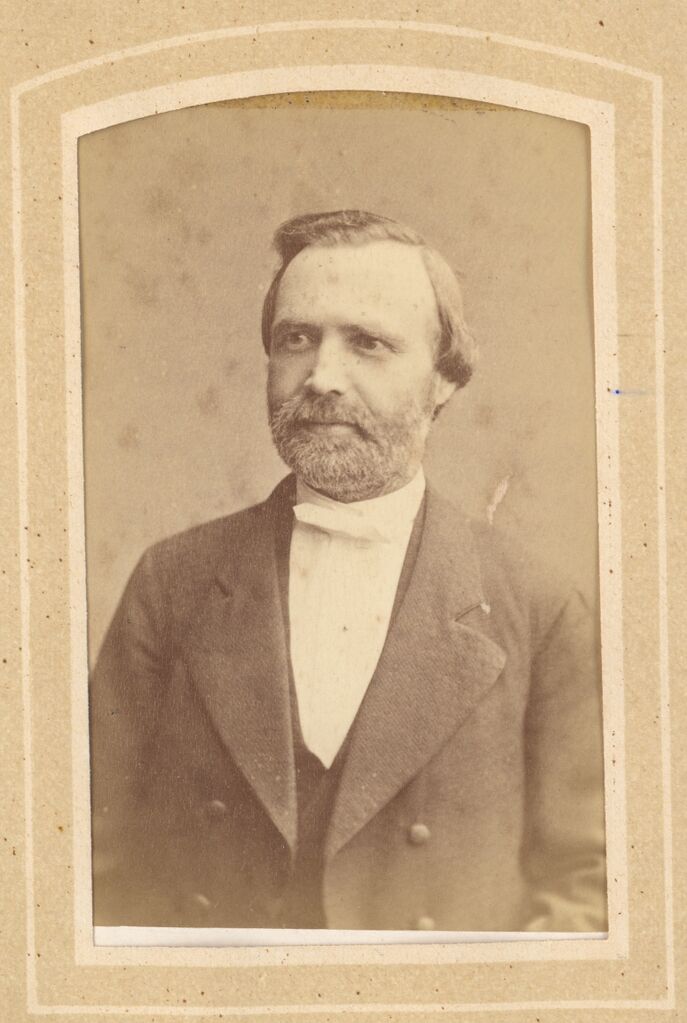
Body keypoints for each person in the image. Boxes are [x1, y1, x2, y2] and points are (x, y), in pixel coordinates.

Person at [89, 209, 607, 932]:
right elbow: (85, 869)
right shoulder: (172, 581)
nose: (322, 378)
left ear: (444, 378)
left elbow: (592, 890)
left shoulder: (538, 606)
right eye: (296, 339)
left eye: (368, 343)